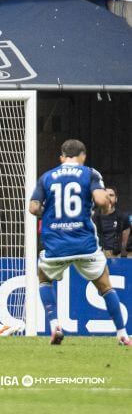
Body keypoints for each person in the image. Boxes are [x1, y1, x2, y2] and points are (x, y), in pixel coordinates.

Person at [29, 139, 131, 346]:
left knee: (44, 279)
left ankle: (55, 325)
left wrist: (49, 212)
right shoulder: (90, 174)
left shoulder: (46, 177)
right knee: (105, 286)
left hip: (56, 244)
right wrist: (104, 206)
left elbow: (33, 208)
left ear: (62, 157)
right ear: (83, 156)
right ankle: (122, 334)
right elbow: (101, 201)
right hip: (84, 243)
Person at [93, 188, 130, 258]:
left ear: (116, 199)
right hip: (95, 255)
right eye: (105, 195)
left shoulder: (122, 217)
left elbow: (125, 242)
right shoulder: (92, 216)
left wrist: (122, 257)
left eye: (111, 195)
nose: (108, 198)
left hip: (115, 256)